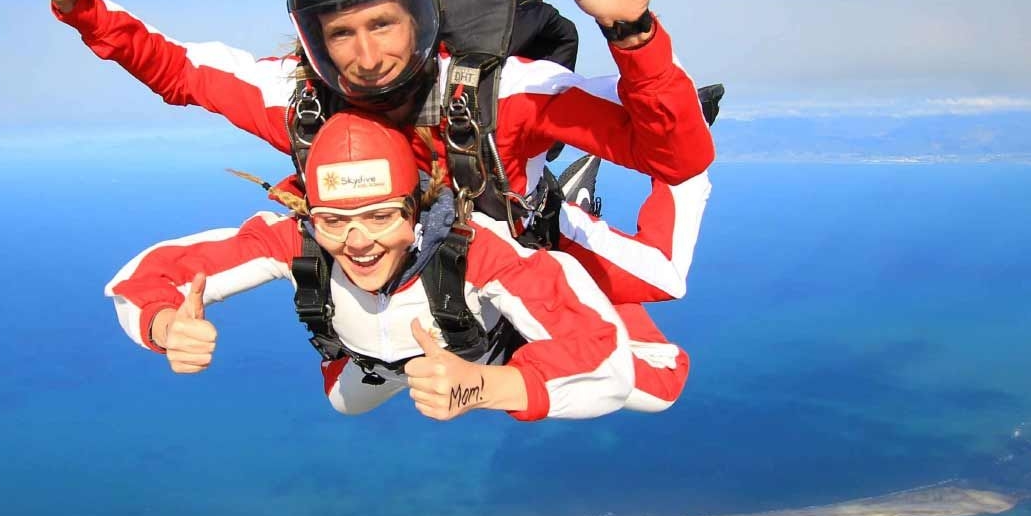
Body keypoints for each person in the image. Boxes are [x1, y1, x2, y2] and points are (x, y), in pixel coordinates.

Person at [0, 0, 718, 305]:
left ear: (420, 13)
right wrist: (76, 3)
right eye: (342, 34)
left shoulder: (503, 94)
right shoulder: (295, 96)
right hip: (413, 256)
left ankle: (579, 200)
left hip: (511, 230)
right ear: (311, 38)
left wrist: (630, 30)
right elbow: (177, 70)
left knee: (663, 280)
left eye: (382, 24)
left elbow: (675, 157)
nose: (367, 57)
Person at [106, 113, 691, 421]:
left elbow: (602, 358)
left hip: (489, 352)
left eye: (381, 216)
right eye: (335, 221)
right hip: (380, 364)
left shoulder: (475, 249)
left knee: (660, 384)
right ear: (312, 214)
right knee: (343, 402)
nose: (358, 242)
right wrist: (163, 327)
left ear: (417, 209)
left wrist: (486, 387)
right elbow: (142, 280)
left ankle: (662, 190)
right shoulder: (296, 238)